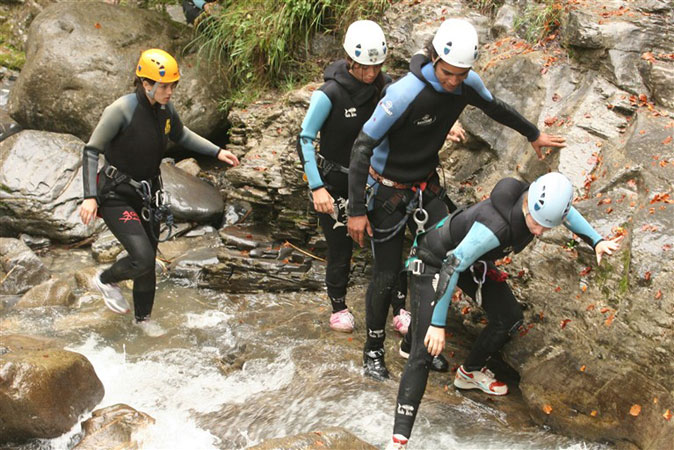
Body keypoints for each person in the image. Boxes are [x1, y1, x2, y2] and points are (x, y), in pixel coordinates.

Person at [347, 18, 566, 381]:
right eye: (448, 73)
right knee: (386, 274)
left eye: (461, 75)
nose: (453, 81)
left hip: (424, 188)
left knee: (438, 261)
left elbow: (496, 108)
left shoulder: (466, 84)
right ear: (433, 58)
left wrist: (533, 134)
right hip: (385, 190)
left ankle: (415, 342)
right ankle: (372, 349)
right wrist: (356, 210)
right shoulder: (403, 93)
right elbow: (361, 148)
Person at [385, 172, 622, 449]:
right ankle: (399, 439)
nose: (540, 232)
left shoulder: (539, 203)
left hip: (471, 263)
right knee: (426, 352)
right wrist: (437, 324)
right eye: (537, 223)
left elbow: (567, 214)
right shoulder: (494, 227)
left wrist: (596, 240)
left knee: (509, 318)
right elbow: (451, 265)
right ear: (528, 204)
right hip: (434, 262)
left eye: (547, 226)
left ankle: (469, 373)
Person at [79, 48, 239, 334]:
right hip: (115, 195)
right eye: (164, 86)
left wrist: (217, 151)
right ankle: (105, 279)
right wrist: (90, 196)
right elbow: (91, 151)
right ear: (146, 83)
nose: (170, 91)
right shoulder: (121, 110)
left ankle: (143, 320)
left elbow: (181, 135)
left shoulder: (165, 110)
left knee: (148, 261)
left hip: (148, 195)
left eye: (173, 85)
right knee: (140, 256)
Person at [298, 20, 414, 335]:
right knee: (340, 250)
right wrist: (317, 187)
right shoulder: (330, 93)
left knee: (389, 246)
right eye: (364, 67)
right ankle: (339, 307)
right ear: (350, 60)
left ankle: (400, 309)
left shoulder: (385, 86)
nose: (371, 73)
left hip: (376, 182)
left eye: (376, 66)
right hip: (335, 182)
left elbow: (411, 108)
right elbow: (305, 139)